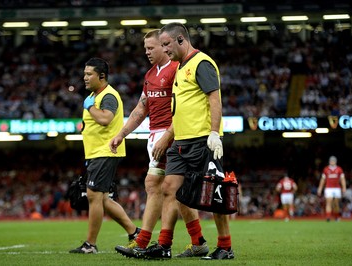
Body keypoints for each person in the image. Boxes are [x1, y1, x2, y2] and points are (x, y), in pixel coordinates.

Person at [110, 29, 209, 258]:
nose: (148, 52)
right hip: (154, 135)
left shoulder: (177, 69)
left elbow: (185, 106)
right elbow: (141, 109)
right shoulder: (150, 74)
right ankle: (197, 241)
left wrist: (168, 136)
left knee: (156, 185)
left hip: (172, 134)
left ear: (165, 47)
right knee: (173, 191)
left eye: (152, 48)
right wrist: (121, 134)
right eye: (146, 49)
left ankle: (146, 241)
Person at [141, 22, 234, 260]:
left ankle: (225, 246)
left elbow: (214, 98)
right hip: (180, 141)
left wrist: (215, 133)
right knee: (170, 189)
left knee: (214, 193)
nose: (164, 50)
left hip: (203, 140)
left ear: (181, 39)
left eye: (166, 44)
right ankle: (165, 245)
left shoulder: (201, 63)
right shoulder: (180, 68)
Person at [69, 57, 140, 254]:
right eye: (84, 74)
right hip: (96, 153)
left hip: (105, 151)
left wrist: (90, 107)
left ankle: (90, 244)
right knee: (102, 199)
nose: (85, 78)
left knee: (94, 196)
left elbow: (105, 119)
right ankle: (135, 233)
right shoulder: (96, 95)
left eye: (89, 74)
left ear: (101, 76)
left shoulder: (107, 96)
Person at [317, 155, 346, 221]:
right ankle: (328, 217)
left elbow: (342, 179)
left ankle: (336, 216)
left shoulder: (339, 169)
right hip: (328, 188)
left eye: (333, 161)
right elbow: (323, 180)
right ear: (329, 161)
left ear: (335, 162)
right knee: (328, 202)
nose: (332, 162)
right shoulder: (326, 169)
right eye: (331, 161)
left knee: (336, 203)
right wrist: (320, 188)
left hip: (337, 188)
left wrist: (344, 187)